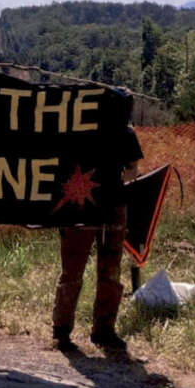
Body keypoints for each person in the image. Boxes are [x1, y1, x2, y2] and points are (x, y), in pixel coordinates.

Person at [52, 124, 144, 354]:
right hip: (84, 204)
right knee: (84, 269)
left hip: (98, 204)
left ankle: (94, 331)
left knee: (102, 269)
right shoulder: (77, 127)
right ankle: (72, 331)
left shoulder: (113, 130)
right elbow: (132, 171)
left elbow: (132, 168)